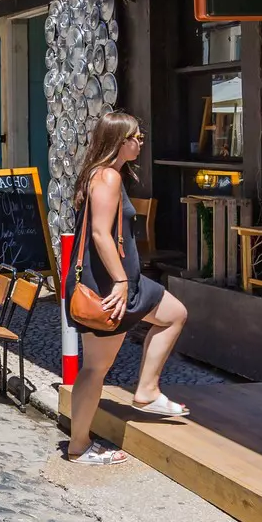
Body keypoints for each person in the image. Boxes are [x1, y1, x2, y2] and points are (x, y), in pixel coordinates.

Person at [64, 110, 192, 466]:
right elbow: (100, 234)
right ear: (118, 141)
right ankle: (78, 446)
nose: (140, 141)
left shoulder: (104, 174)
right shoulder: (107, 177)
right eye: (135, 137)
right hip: (110, 286)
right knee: (95, 368)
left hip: (123, 283)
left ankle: (147, 390)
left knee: (174, 314)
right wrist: (120, 281)